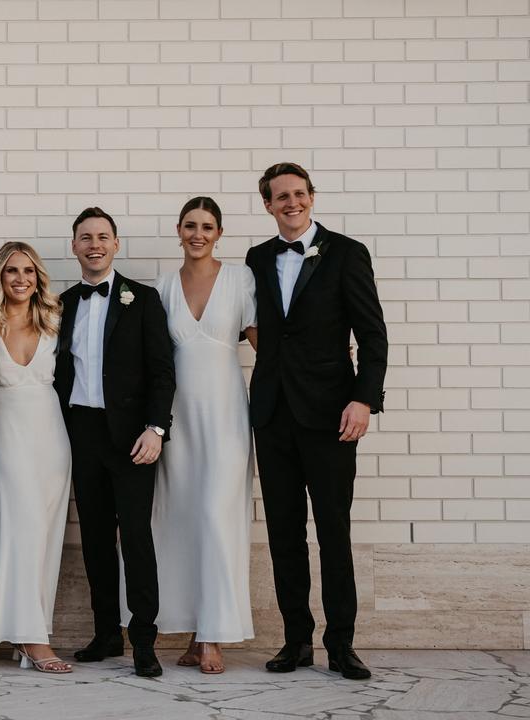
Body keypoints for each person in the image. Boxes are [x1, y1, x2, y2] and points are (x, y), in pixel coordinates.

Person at [246, 163, 387, 681]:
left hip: (332, 416)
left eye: (299, 194)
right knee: (284, 533)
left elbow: (373, 335)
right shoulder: (257, 258)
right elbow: (261, 328)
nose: (291, 203)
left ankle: (342, 644)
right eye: (280, 197)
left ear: (311, 197)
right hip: (273, 414)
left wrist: (364, 400)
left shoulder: (347, 253)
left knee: (333, 532)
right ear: (267, 204)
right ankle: (296, 641)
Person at [53, 207, 176, 678]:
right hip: (81, 434)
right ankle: (106, 634)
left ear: (116, 244)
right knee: (96, 540)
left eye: (103, 237)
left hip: (132, 438)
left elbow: (163, 371)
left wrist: (156, 428)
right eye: (86, 238)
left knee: (137, 539)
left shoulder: (142, 299)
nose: (94, 245)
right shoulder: (62, 304)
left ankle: (144, 641)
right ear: (75, 246)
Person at [148, 197, 258, 675]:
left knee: (218, 515)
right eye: (190, 225)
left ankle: (214, 636)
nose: (198, 233)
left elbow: (264, 341)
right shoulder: (162, 287)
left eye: (207, 226)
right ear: (178, 229)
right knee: (183, 520)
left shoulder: (240, 280)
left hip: (225, 413)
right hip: (177, 419)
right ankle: (195, 631)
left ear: (219, 232)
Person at [0, 242, 72, 674]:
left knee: (42, 535)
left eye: (28, 270)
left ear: (38, 276)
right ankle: (31, 639)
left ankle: (31, 628)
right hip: (6, 432)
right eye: (11, 271)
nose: (21, 278)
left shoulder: (56, 320)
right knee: (20, 527)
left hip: (51, 435)